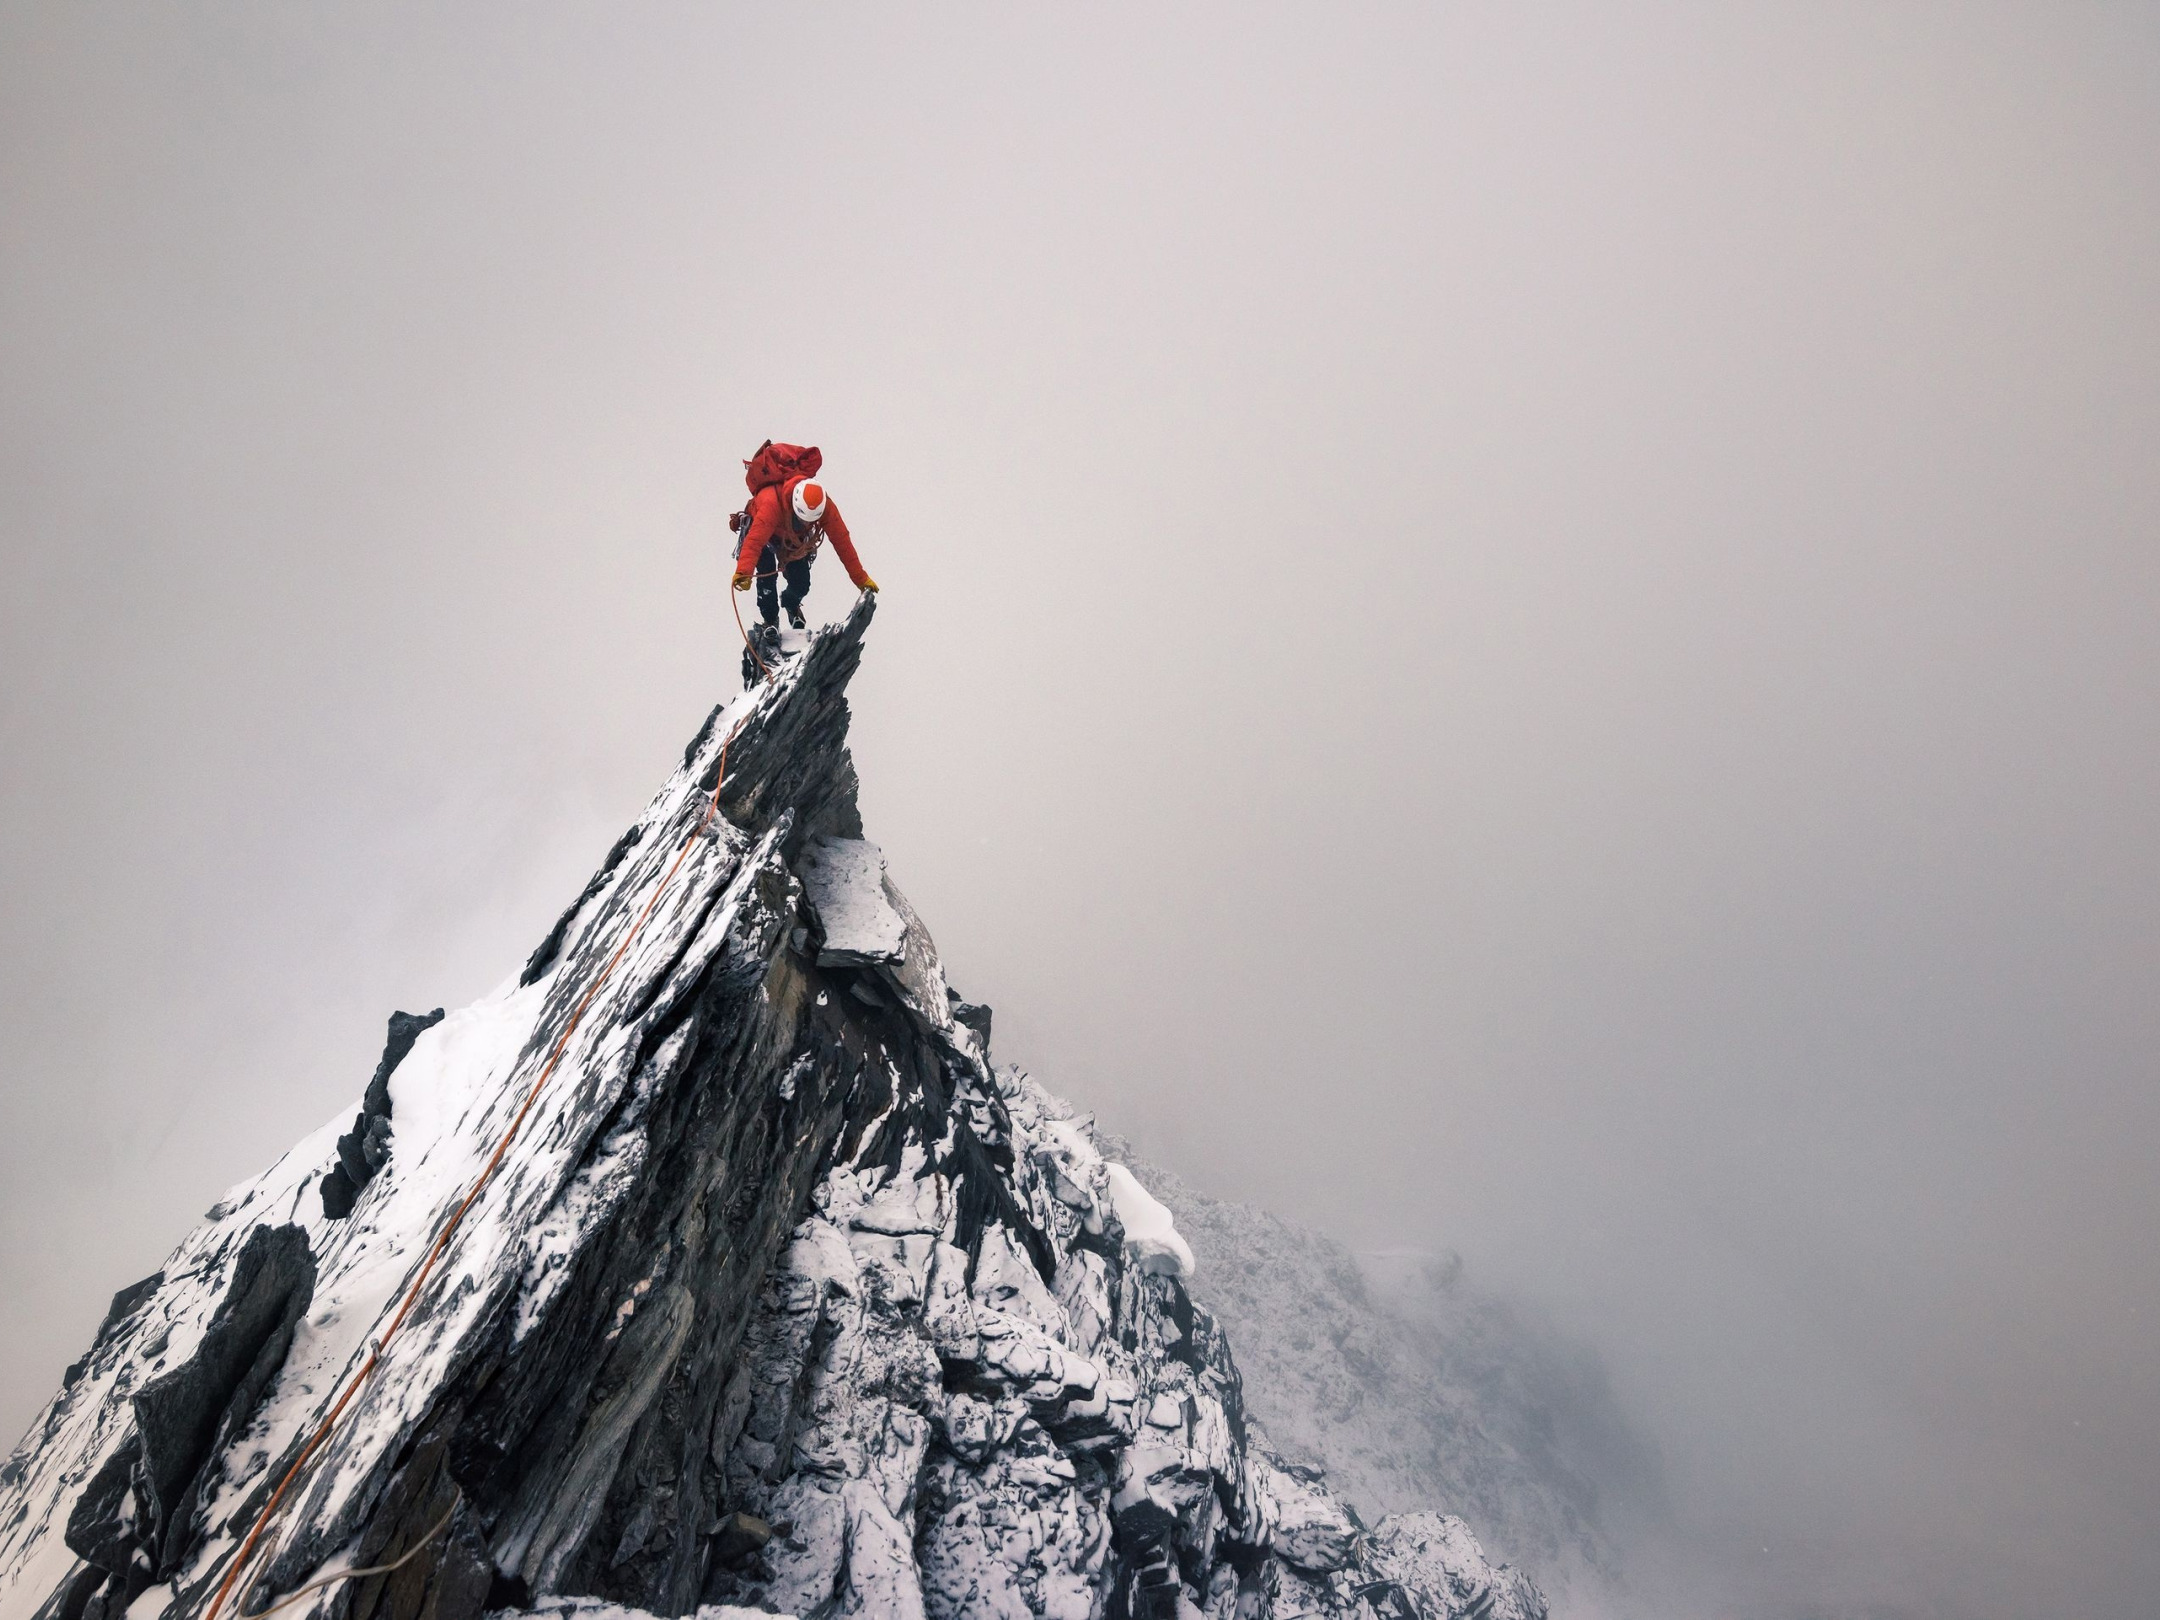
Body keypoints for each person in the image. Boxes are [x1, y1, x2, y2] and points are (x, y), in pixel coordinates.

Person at [731, 461, 878, 630]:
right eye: (800, 518)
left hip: (792, 537)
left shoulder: (826, 507)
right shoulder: (771, 504)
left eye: (809, 521)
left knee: (801, 582)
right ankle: (770, 621)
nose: (804, 522)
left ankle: (790, 603)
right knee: (766, 576)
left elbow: (842, 542)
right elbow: (755, 541)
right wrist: (744, 572)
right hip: (762, 529)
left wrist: (861, 579)